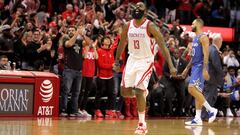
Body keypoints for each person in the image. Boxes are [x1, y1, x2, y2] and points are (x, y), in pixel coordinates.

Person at [114, 2, 176, 134]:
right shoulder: (127, 25)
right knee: (124, 92)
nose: (137, 9)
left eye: (140, 7)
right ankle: (143, 93)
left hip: (145, 60)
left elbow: (163, 46)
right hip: (132, 59)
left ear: (145, 11)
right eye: (136, 7)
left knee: (138, 89)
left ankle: (142, 124)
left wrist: (171, 66)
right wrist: (117, 60)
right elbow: (122, 43)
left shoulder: (150, 26)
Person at [182, 19, 218, 126]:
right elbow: (194, 57)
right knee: (197, 92)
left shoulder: (203, 37)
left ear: (198, 24)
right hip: (194, 67)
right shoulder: (195, 38)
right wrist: (186, 68)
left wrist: (205, 69)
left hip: (200, 67)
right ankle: (197, 118)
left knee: (191, 89)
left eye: (192, 23)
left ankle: (211, 110)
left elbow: (206, 55)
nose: (191, 25)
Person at [201, 34, 224, 119]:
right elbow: (216, 65)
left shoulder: (210, 49)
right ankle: (204, 115)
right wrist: (222, 75)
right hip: (211, 78)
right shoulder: (214, 50)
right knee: (209, 97)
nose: (221, 44)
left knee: (212, 96)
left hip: (208, 77)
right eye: (221, 42)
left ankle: (206, 114)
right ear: (219, 42)